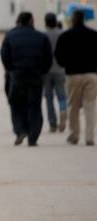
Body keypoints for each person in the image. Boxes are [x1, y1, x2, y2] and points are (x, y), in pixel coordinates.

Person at [0, 12, 52, 146]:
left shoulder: (10, 36)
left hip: (17, 75)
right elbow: (48, 58)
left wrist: (11, 69)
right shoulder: (41, 37)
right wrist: (42, 71)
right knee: (34, 105)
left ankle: (20, 130)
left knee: (16, 103)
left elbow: (4, 55)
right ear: (30, 21)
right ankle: (33, 137)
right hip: (35, 75)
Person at [55, 10, 97, 146]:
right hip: (91, 74)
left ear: (72, 20)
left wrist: (65, 64)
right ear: (83, 19)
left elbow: (58, 56)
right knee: (89, 106)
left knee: (73, 106)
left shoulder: (65, 36)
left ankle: (74, 135)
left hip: (73, 74)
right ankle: (90, 137)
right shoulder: (93, 35)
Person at [43, 13, 67, 133]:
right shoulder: (62, 34)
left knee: (49, 98)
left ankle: (52, 124)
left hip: (46, 70)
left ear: (46, 22)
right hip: (60, 69)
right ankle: (63, 111)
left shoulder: (43, 35)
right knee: (62, 95)